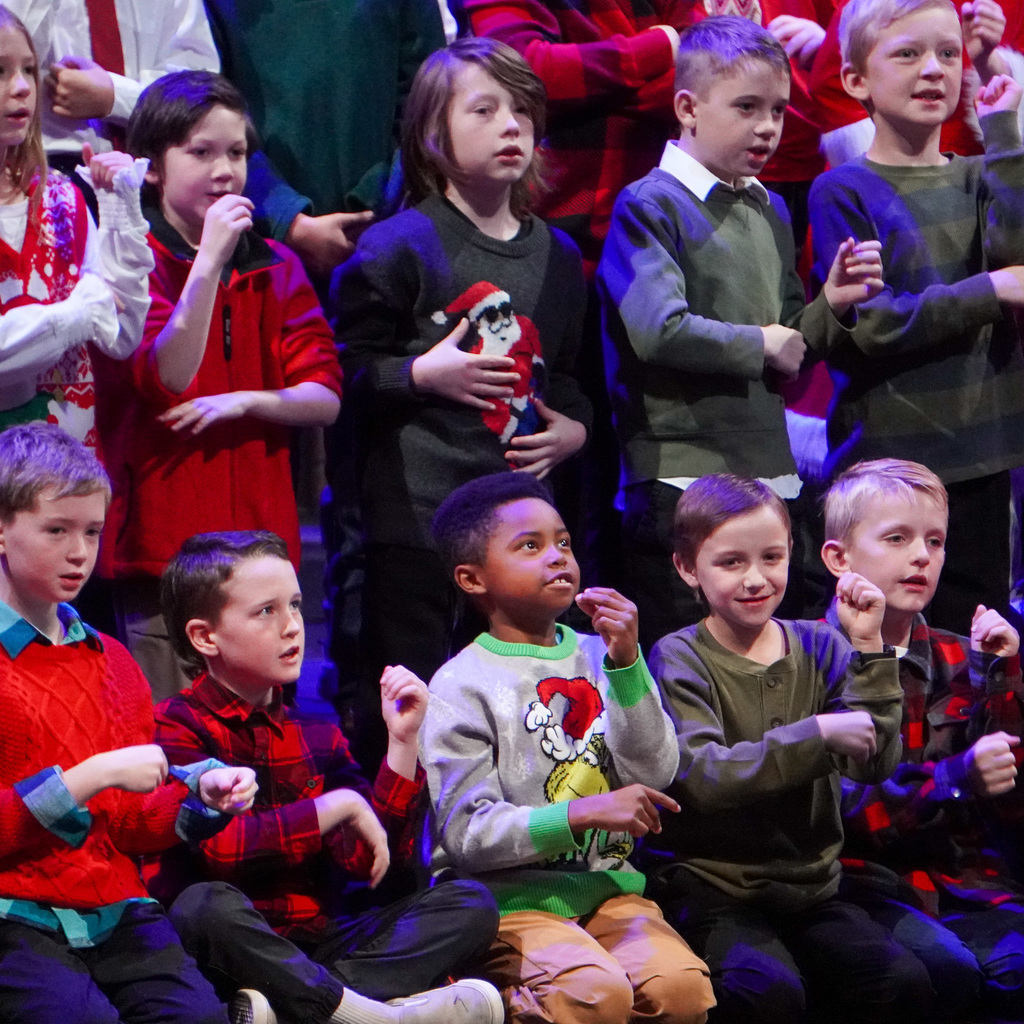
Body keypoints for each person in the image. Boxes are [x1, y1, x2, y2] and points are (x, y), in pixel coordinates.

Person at [333, 37, 591, 770]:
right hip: (414, 526)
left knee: (518, 705)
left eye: (522, 110)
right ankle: (404, 866)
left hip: (517, 531)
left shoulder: (559, 255)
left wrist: (575, 429)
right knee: (414, 702)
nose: (511, 124)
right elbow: (344, 374)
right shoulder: (399, 247)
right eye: (486, 110)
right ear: (433, 136)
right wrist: (419, 374)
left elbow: (565, 376)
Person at [597, 15, 884, 652]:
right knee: (688, 657)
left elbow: (787, 349)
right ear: (688, 108)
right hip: (681, 474)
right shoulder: (650, 204)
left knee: (767, 656)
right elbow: (658, 329)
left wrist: (830, 305)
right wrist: (758, 344)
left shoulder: (770, 206)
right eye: (747, 107)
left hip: (765, 472)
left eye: (779, 110)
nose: (767, 127)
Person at [147, 530, 503, 1024]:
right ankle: (375, 1013)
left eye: (294, 604)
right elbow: (222, 852)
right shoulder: (172, 724)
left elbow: (366, 861)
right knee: (202, 905)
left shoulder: (317, 732)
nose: (293, 626)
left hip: (318, 946)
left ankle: (314, 1009)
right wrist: (333, 807)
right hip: (230, 947)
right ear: (206, 637)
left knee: (470, 903)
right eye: (266, 612)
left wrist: (402, 743)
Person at [420, 471, 716, 1024]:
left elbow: (657, 768)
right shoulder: (461, 685)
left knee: (680, 991)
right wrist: (582, 812)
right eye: (529, 546)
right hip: (508, 903)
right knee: (594, 995)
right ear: (471, 577)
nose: (557, 556)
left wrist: (627, 663)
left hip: (607, 891)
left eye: (562, 542)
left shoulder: (600, 655)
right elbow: (467, 835)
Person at [643, 473, 931, 1024]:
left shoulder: (820, 642)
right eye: (731, 563)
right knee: (765, 991)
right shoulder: (679, 656)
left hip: (812, 888)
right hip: (716, 887)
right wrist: (815, 734)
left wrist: (870, 647)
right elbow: (702, 776)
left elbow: (875, 764)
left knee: (902, 982)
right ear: (687, 569)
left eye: (771, 558)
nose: (756, 579)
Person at [92, 70, 342, 701]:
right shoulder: (128, 258)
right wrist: (207, 261)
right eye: (200, 152)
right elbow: (165, 374)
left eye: (235, 153)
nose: (224, 170)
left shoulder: (275, 265)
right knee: (171, 740)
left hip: (257, 553)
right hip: (161, 551)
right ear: (152, 167)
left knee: (261, 745)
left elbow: (325, 395)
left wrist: (247, 401)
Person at [0, 422, 258, 1024]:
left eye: (91, 531)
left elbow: (131, 825)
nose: (79, 553)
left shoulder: (113, 662)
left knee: (195, 1017)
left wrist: (201, 803)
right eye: (56, 530)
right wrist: (89, 775)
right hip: (14, 912)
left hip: (115, 909)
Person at [808, 0, 1024, 631]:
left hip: (986, 452)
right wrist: (988, 290)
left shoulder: (981, 178)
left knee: (976, 636)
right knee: (891, 637)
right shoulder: (844, 189)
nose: (934, 70)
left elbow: (1018, 256)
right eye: (908, 54)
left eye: (949, 54)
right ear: (856, 81)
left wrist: (1005, 133)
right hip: (892, 465)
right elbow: (871, 324)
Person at [820, 459, 1024, 1022]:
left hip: (960, 880)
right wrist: (955, 780)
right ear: (839, 558)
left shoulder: (963, 654)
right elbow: (846, 814)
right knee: (942, 971)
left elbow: (1011, 804)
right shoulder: (807, 659)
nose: (921, 557)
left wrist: (1004, 682)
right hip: (860, 884)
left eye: (934, 541)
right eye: (897, 538)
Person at [0, 4, 152, 448]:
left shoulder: (61, 198)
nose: (24, 87)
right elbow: (90, 313)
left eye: (29, 68)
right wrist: (75, 316)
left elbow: (119, 336)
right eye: (1, 71)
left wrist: (121, 218)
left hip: (63, 481)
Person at [11, 0, 219, 177]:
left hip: (155, 168)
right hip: (44, 168)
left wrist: (116, 97)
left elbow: (198, 86)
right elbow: (8, 58)